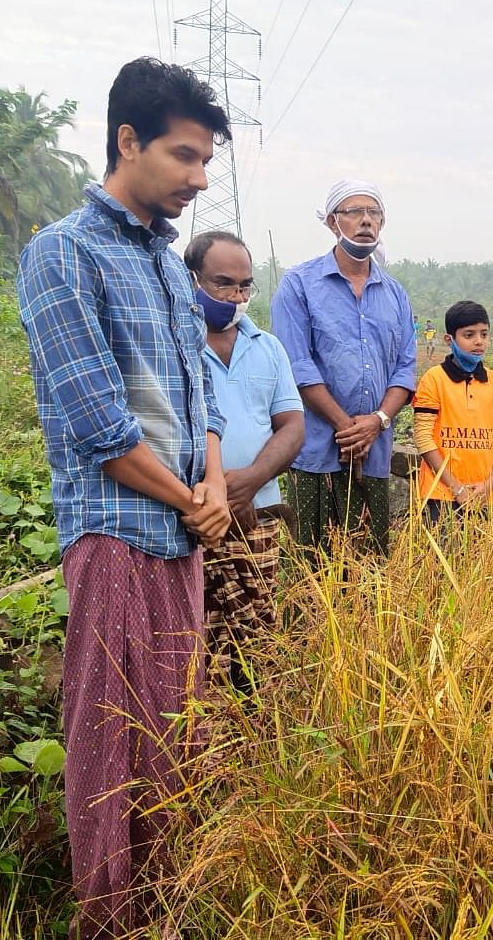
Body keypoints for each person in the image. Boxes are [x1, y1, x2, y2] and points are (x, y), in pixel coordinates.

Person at [17, 58, 232, 938]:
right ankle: (109, 921)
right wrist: (192, 498)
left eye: (207, 161)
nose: (198, 177)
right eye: (184, 156)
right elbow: (101, 425)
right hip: (117, 535)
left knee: (174, 735)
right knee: (112, 742)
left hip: (182, 534)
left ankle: (166, 913)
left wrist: (214, 484)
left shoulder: (169, 267)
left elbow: (202, 398)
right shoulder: (63, 253)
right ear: (128, 140)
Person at [270, 180, 416, 557]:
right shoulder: (299, 285)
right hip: (319, 451)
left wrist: (377, 421)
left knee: (370, 565)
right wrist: (345, 426)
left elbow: (404, 367)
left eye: (374, 213)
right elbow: (297, 365)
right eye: (354, 212)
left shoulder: (395, 293)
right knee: (312, 563)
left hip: (374, 452)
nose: (365, 221)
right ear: (333, 223)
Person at [185, 230, 303, 688]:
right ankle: (203, 738)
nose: (236, 297)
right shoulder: (175, 346)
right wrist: (214, 491)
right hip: (196, 515)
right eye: (223, 284)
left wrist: (251, 480)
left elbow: (292, 427)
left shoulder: (268, 348)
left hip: (259, 517)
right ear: (191, 279)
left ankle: (256, 736)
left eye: (245, 286)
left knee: (255, 634)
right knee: (199, 636)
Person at [412, 300, 493, 525]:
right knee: (440, 558)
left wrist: (490, 484)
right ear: (450, 339)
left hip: (487, 497)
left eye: (484, 334)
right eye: (469, 335)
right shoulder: (433, 380)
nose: (478, 342)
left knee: (485, 559)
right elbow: (422, 437)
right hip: (442, 494)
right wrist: (456, 488)